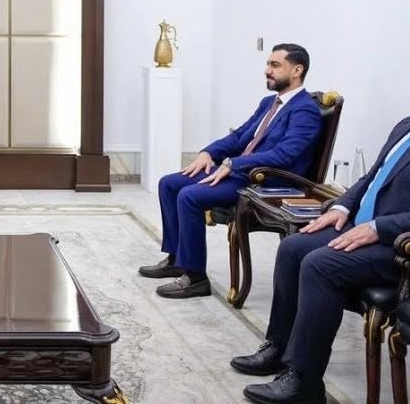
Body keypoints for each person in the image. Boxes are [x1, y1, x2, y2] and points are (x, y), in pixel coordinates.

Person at [234, 43, 410, 404]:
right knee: (293, 247)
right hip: (375, 234)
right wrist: (342, 206)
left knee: (321, 264)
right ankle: (278, 348)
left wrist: (378, 227)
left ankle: (304, 380)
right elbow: (372, 177)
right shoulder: (409, 125)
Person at [138, 44, 322, 298]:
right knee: (169, 184)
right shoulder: (269, 103)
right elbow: (239, 136)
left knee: (190, 195)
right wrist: (208, 153)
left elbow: (285, 155)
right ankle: (178, 259)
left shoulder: (305, 110)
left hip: (264, 182)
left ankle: (195, 278)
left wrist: (233, 164)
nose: (267, 70)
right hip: (241, 172)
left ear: (297, 70)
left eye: (275, 65)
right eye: (268, 64)